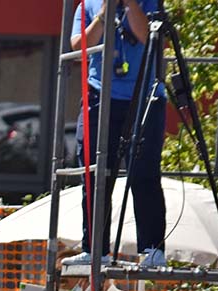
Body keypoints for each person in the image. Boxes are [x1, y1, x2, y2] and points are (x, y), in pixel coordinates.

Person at [67, 0, 166, 268]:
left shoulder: (151, 3)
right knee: (94, 173)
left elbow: (148, 38)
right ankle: (95, 249)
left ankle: (152, 249)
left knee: (143, 173)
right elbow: (79, 47)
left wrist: (130, 4)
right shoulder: (87, 5)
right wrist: (103, 14)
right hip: (100, 96)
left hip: (145, 95)